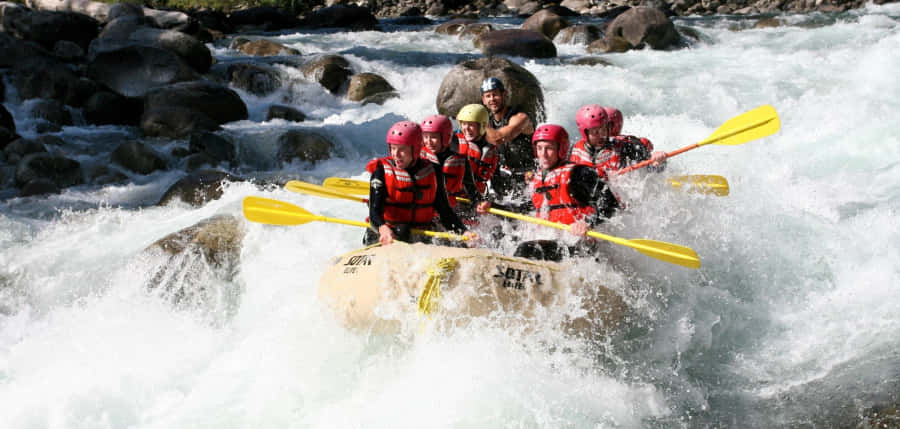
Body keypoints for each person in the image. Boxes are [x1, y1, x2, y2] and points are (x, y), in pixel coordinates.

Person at [476, 124, 620, 260]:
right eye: (539, 148)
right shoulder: (540, 177)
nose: (543, 154)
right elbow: (524, 212)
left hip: (578, 245)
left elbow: (612, 205)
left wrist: (587, 223)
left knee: (527, 249)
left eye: (549, 148)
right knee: (497, 235)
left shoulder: (580, 173)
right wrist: (493, 208)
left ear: (561, 149)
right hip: (553, 239)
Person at [364, 120, 474, 246]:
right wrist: (383, 228)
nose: (396, 154)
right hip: (387, 234)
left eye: (402, 150)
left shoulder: (433, 171)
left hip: (419, 235)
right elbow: (374, 212)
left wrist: (464, 231)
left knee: (457, 243)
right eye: (393, 148)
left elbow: (444, 210)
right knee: (402, 230)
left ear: (416, 149)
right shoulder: (381, 172)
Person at [570, 105, 667, 175]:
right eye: (595, 132)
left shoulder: (625, 147)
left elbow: (654, 169)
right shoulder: (573, 152)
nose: (601, 135)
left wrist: (658, 161)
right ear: (584, 133)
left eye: (603, 129)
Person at [479, 77, 535, 200]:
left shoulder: (520, 117)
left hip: (527, 175)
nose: (492, 99)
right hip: (503, 177)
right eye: (488, 96)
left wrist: (478, 122)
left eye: (495, 95)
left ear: (504, 95)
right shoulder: (487, 121)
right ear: (483, 100)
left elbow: (499, 138)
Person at [419, 114, 468, 211]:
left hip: (452, 205)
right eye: (425, 137)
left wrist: (480, 202)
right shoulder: (418, 156)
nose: (429, 142)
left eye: (433, 137)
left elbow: (471, 188)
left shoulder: (458, 161)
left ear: (446, 137)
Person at [455, 104, 499, 204]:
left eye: (471, 124)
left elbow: (496, 180)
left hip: (474, 200)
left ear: (482, 125)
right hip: (453, 198)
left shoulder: (490, 151)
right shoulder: (454, 143)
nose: (466, 128)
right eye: (463, 124)